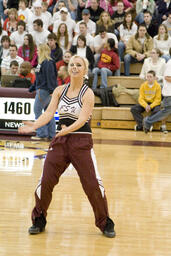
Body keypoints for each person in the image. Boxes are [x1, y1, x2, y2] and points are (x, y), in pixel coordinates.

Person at [18, 54, 116, 238]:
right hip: (61, 142)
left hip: (81, 141)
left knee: (92, 184)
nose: (75, 67)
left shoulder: (88, 93)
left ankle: (105, 222)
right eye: (72, 64)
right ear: (67, 68)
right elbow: (48, 113)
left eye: (79, 65)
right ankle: (39, 219)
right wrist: (34, 125)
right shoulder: (59, 90)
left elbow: (82, 119)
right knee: (45, 181)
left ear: (85, 71)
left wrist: (66, 130)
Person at [29, 44, 57, 141]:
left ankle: (42, 134)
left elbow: (51, 77)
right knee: (48, 113)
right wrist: (32, 88)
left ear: (42, 51)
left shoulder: (48, 62)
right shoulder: (41, 63)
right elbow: (38, 78)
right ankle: (51, 134)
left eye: (38, 50)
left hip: (44, 90)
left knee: (37, 110)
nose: (37, 52)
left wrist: (51, 90)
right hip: (43, 89)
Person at [143, 49, 171, 133]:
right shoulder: (170, 63)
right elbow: (166, 77)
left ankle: (148, 121)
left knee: (166, 111)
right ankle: (148, 121)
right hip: (169, 92)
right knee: (166, 111)